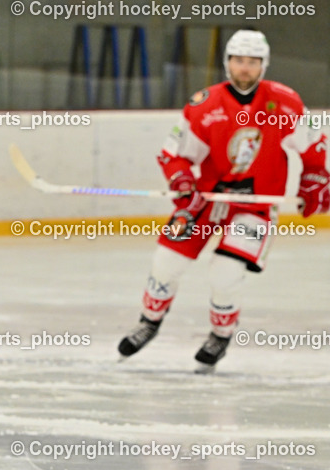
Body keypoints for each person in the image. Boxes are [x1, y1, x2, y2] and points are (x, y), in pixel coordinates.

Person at [118, 30, 329, 371]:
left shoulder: (285, 102)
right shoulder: (204, 104)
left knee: (225, 273)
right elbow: (174, 155)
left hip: (255, 206)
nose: (245, 69)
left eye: (252, 62)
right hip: (204, 201)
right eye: (238, 61)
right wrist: (182, 181)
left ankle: (220, 334)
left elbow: (314, 147)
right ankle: (149, 322)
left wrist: (315, 181)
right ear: (227, 62)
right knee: (165, 262)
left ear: (264, 65)